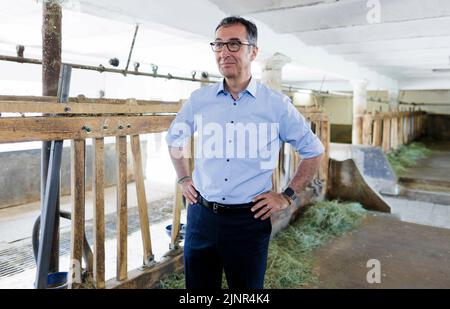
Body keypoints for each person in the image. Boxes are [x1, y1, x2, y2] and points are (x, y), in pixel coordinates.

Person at [166, 16, 324, 289]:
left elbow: (313, 151)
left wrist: (286, 196)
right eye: (218, 45)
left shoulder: (276, 105)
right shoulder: (199, 100)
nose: (225, 52)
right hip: (201, 217)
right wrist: (183, 178)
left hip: (249, 220)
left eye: (234, 44)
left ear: (253, 51)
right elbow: (174, 139)